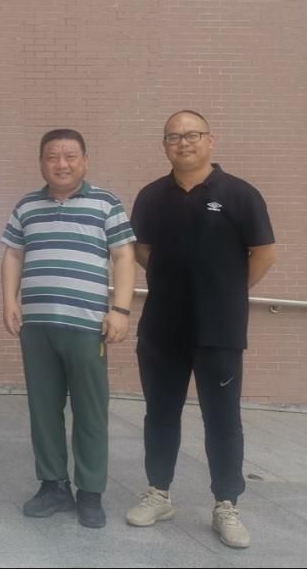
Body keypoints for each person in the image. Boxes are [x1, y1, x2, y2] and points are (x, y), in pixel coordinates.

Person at [125, 110, 276, 549]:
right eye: (173, 137)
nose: (183, 143)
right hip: (162, 327)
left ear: (211, 140)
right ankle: (158, 493)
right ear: (165, 145)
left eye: (192, 135)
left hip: (219, 329)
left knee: (223, 420)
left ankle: (226, 503)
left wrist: (226, 291)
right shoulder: (152, 196)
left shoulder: (240, 194)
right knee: (160, 414)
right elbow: (142, 249)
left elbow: (264, 254)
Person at [1, 129, 136, 529]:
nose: (61, 164)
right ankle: (53, 486)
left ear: (85, 160)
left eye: (70, 156)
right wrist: (9, 300)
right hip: (37, 326)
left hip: (87, 326)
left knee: (90, 410)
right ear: (41, 162)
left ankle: (90, 492)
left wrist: (120, 310)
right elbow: (13, 254)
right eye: (52, 157)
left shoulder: (106, 203)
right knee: (43, 409)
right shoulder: (26, 205)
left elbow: (124, 256)